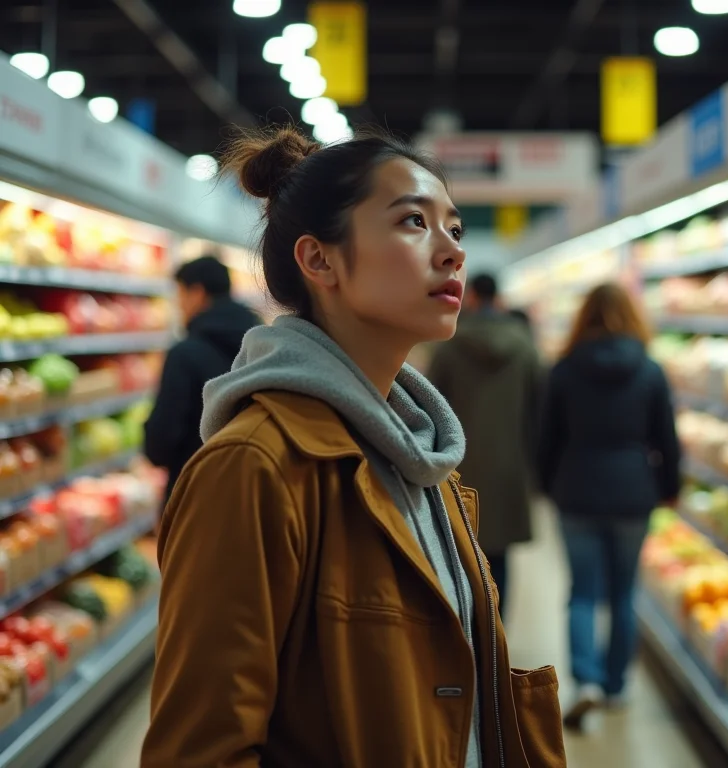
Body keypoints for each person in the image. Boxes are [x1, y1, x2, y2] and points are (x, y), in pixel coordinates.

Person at [141, 127, 566, 768]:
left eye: (455, 229)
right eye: (414, 222)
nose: (451, 253)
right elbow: (200, 750)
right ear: (320, 261)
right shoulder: (253, 468)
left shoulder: (422, 455)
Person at [537, 282, 681, 730]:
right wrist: (668, 487)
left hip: (577, 487)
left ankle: (586, 682)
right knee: (623, 591)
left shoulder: (563, 370)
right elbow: (667, 439)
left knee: (581, 592)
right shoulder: (650, 370)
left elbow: (546, 439)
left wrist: (548, 485)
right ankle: (617, 684)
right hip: (633, 491)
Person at [428, 273, 541, 622]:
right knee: (501, 558)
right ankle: (497, 629)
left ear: (472, 297)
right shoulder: (524, 345)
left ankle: (468, 633)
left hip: (459, 468)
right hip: (510, 466)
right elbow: (539, 407)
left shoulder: (448, 346)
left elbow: (431, 406)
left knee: (461, 551)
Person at [143, 255, 258, 502]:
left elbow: (160, 444)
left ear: (197, 293)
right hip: (249, 491)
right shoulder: (260, 347)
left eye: (180, 296)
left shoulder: (185, 354)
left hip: (193, 494)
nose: (180, 306)